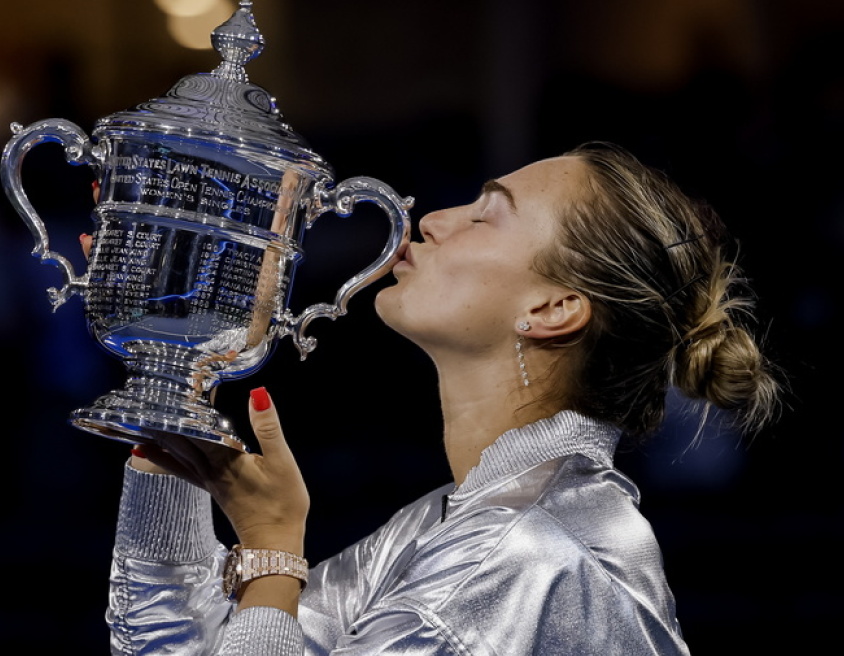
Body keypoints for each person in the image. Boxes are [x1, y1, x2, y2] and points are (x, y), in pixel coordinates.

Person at [91, 141, 782, 655]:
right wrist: (178, 363)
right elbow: (183, 643)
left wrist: (273, 549)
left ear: (554, 308)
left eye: (486, 218)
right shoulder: (459, 522)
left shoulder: (520, 551)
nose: (433, 219)